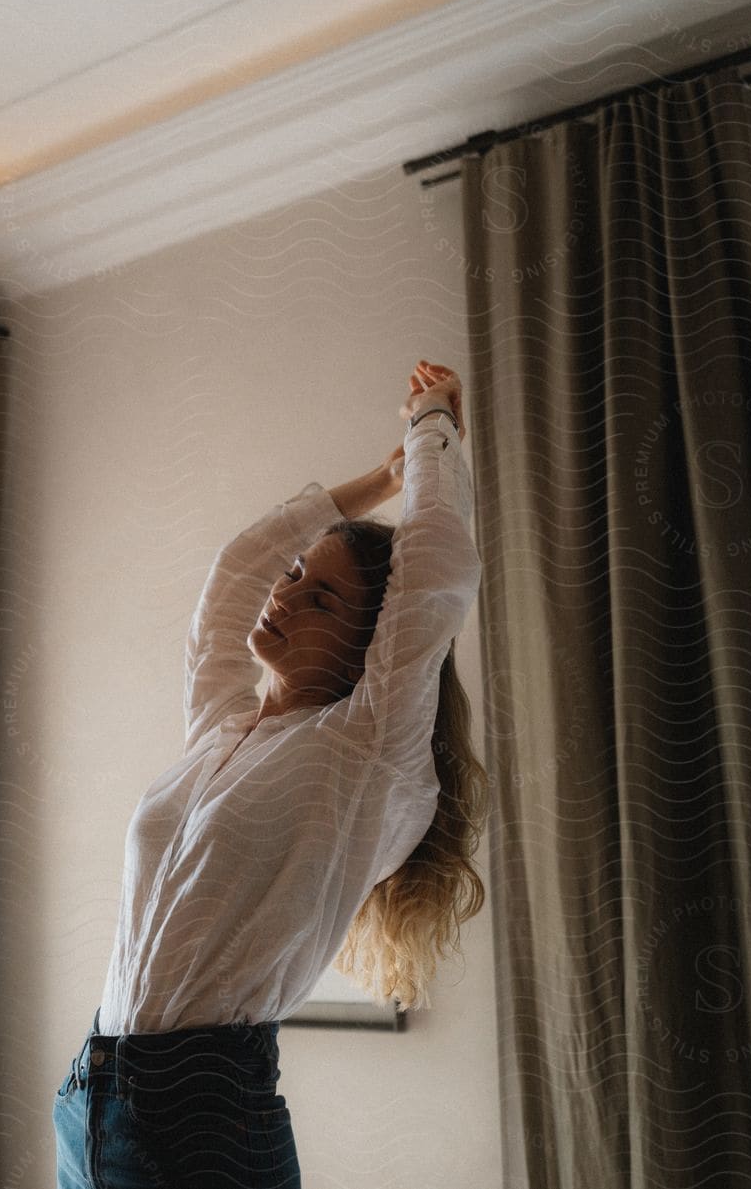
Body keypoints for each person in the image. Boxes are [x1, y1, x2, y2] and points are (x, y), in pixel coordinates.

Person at [53, 359, 489, 1189]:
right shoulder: (218, 728)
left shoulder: (365, 747)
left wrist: (430, 425)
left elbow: (433, 567)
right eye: (295, 579)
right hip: (93, 1098)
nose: (284, 598)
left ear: (370, 653)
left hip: (203, 1115)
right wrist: (375, 481)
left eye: (320, 601)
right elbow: (235, 571)